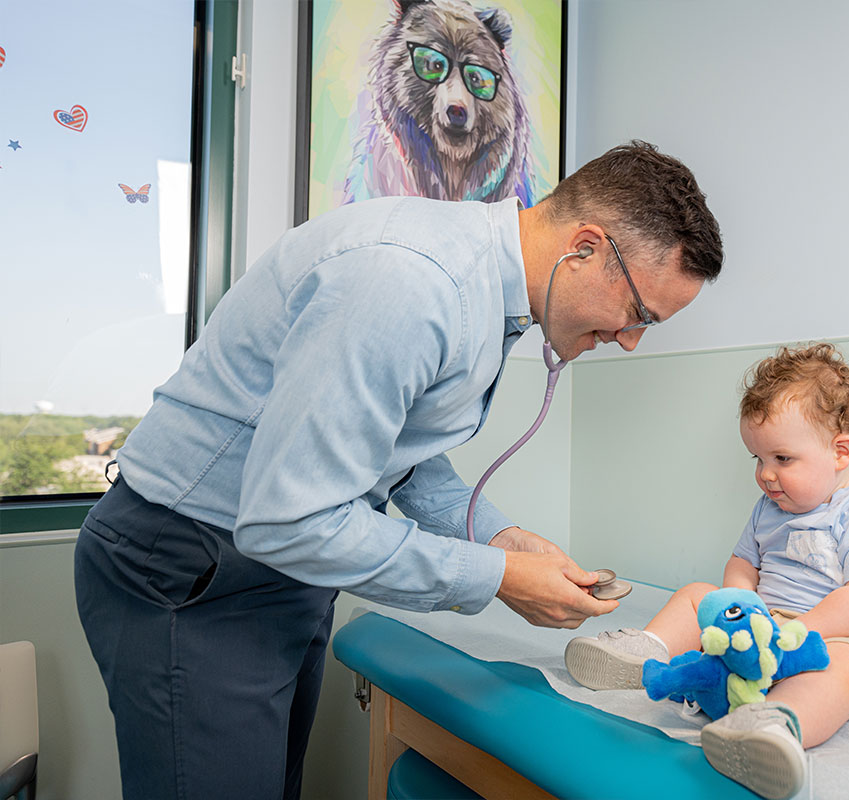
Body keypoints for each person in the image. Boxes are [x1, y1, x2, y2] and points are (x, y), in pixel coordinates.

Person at [73, 140, 723, 800]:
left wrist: (498, 539)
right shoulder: (411, 284)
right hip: (195, 569)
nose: (632, 339)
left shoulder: (483, 294)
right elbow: (288, 519)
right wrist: (497, 579)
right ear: (584, 248)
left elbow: (397, 456)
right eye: (640, 314)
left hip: (278, 571)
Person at [565, 343, 849, 800]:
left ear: (841, 452)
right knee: (697, 592)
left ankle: (773, 728)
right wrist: (739, 605)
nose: (766, 475)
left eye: (781, 459)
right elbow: (743, 563)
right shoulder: (769, 508)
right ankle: (645, 651)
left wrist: (800, 633)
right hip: (764, 626)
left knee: (842, 671)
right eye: (758, 459)